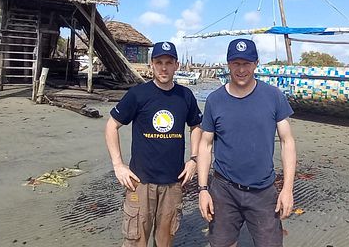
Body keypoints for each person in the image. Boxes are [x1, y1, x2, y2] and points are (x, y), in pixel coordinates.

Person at [197, 38, 297, 247]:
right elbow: (205, 145)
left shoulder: (273, 96)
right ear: (228, 64)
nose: (241, 70)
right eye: (236, 63)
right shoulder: (215, 100)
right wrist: (203, 189)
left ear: (256, 63)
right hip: (224, 190)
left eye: (247, 64)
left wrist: (287, 189)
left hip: (263, 190)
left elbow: (288, 142)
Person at [105, 41, 203, 247]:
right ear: (151, 64)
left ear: (177, 65)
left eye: (169, 62)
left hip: (173, 182)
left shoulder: (185, 95)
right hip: (140, 181)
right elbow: (111, 126)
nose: (164, 68)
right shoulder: (138, 94)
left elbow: (196, 126)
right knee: (136, 239)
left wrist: (194, 159)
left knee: (165, 239)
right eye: (159, 62)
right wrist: (118, 165)